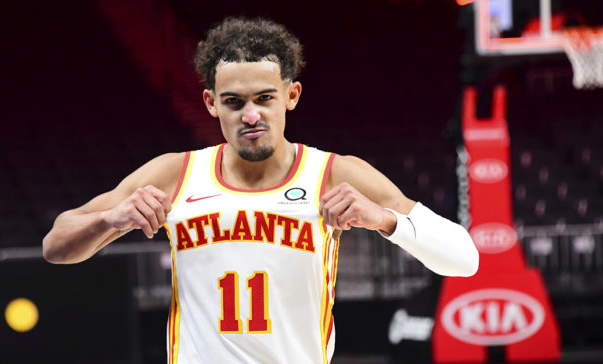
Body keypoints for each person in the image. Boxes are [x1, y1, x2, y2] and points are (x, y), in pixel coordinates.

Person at [42, 17, 479, 364]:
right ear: (212, 103)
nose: (251, 115)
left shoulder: (333, 173)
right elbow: (55, 246)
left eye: (265, 98)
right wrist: (109, 220)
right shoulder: (176, 173)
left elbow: (465, 260)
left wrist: (385, 221)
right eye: (234, 102)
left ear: (292, 95)